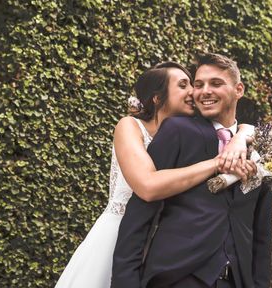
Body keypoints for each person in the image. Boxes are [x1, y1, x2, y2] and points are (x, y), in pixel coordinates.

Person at [55, 61, 255, 288]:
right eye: (183, 85)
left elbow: (235, 126)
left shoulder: (193, 133)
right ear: (157, 98)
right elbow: (147, 186)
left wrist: (242, 134)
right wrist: (218, 163)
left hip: (165, 243)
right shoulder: (130, 126)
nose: (193, 92)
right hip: (120, 234)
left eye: (192, 84)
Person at [112, 53, 272, 288]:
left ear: (239, 90)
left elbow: (261, 234)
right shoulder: (178, 130)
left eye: (216, 83)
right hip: (178, 277)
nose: (204, 91)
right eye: (198, 85)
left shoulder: (260, 147)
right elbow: (140, 213)